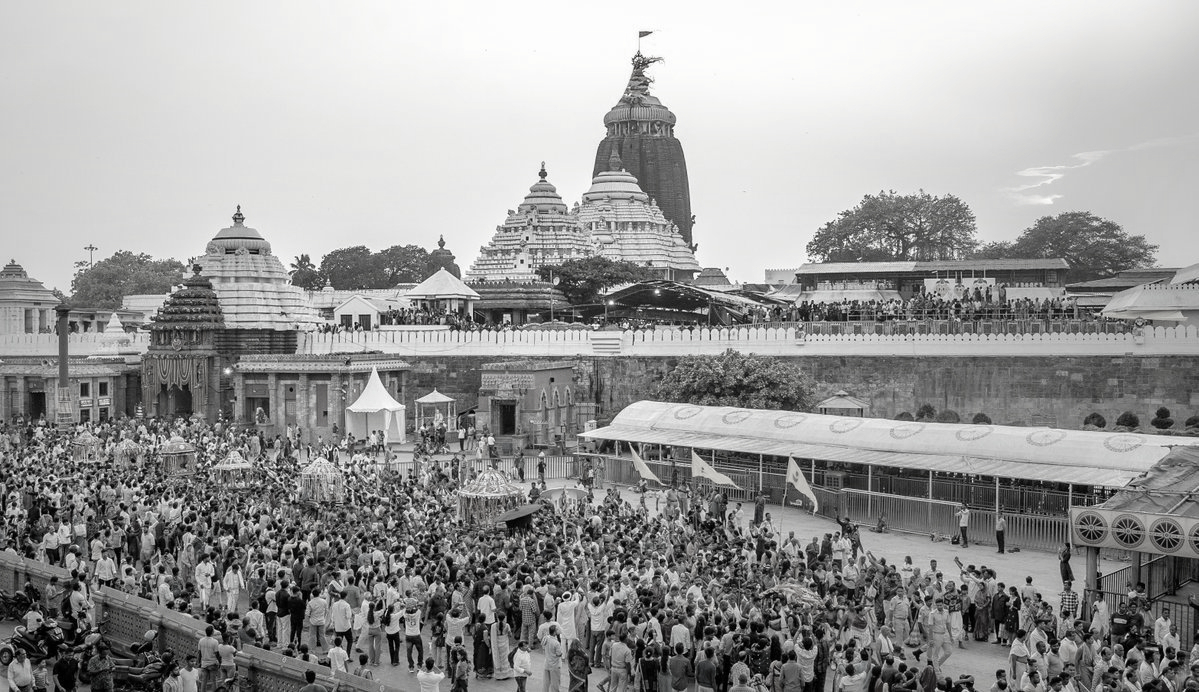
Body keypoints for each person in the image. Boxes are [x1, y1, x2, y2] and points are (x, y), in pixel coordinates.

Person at [543, 624, 565, 692]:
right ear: (555, 632)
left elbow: (543, 645)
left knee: (546, 683)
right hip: (554, 665)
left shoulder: (546, 638)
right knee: (555, 684)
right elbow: (559, 654)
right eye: (557, 629)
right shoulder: (556, 643)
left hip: (547, 663)